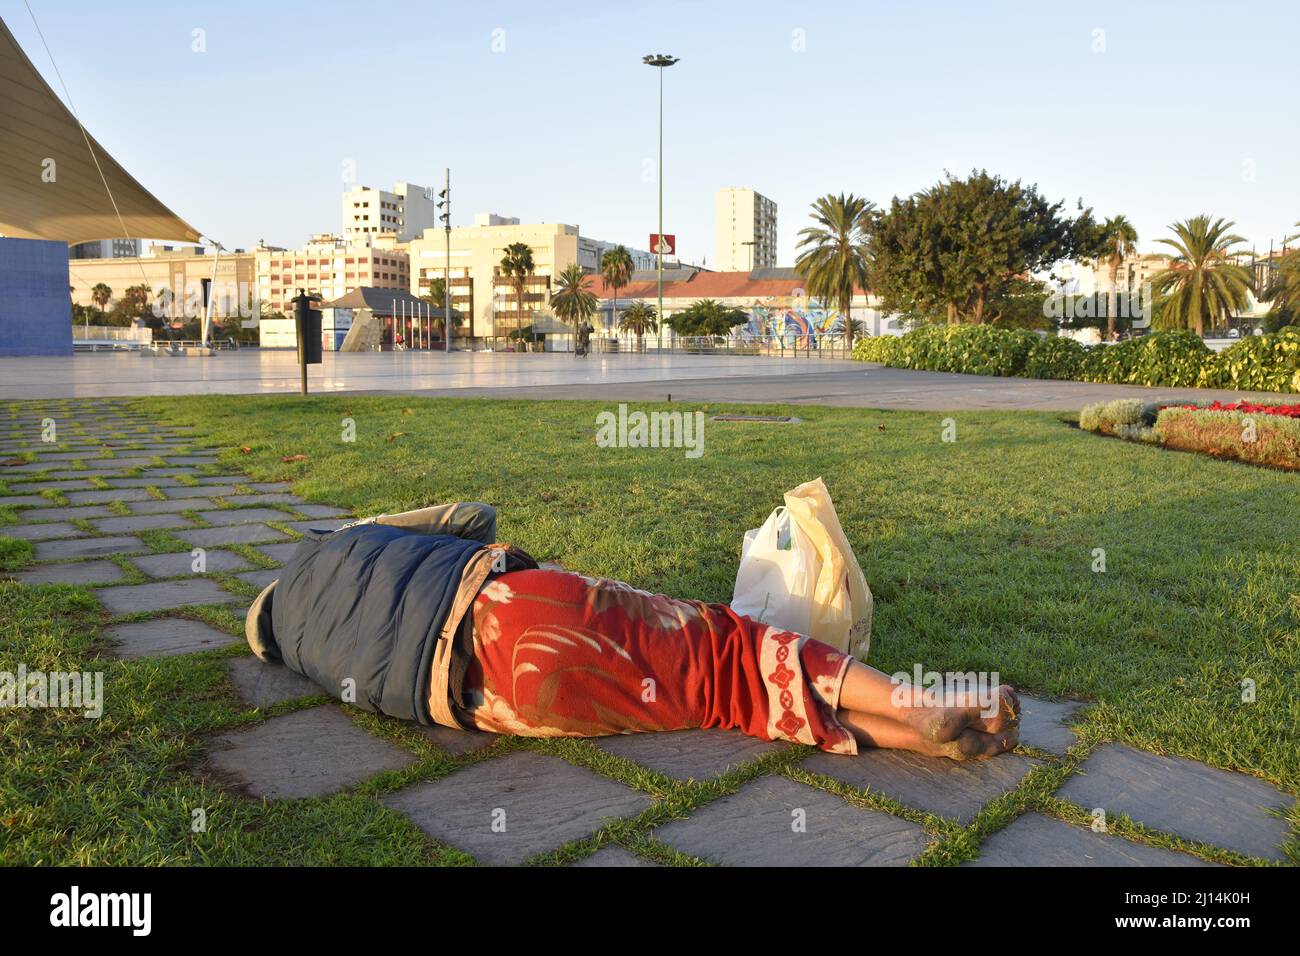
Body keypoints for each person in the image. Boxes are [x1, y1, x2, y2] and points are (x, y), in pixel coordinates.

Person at [245, 503, 1020, 760]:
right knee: (729, 646)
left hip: (489, 702)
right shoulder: (341, 542)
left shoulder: (307, 657)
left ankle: (927, 738)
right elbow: (469, 518)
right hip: (514, 608)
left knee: (725, 697)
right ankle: (919, 703)